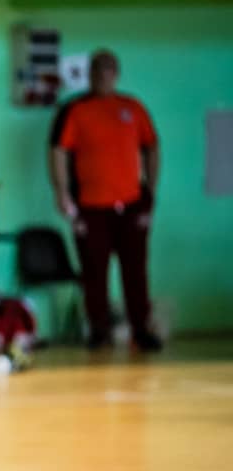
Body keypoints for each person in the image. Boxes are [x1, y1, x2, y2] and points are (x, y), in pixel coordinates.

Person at [49, 49, 162, 351]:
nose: (103, 74)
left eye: (108, 69)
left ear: (117, 73)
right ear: (90, 74)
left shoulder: (132, 108)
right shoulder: (75, 110)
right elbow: (58, 151)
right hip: (90, 205)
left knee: (135, 270)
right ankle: (99, 330)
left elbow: (152, 146)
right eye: (97, 69)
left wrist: (151, 190)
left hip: (131, 202)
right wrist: (62, 192)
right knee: (93, 272)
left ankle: (141, 329)